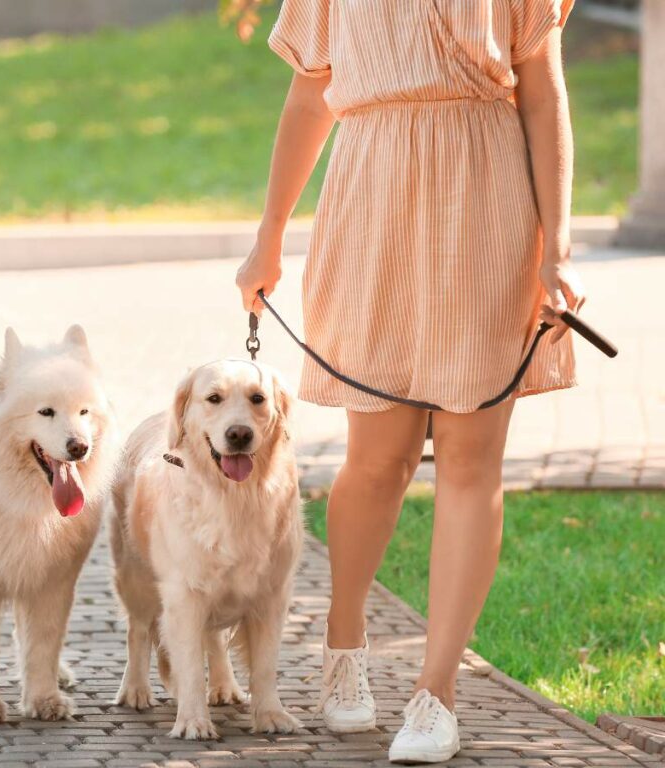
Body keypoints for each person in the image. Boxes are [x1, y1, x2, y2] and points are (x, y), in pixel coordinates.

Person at [236, 1, 583, 763]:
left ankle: (437, 694)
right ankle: (344, 640)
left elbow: (544, 90)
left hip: (489, 195)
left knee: (470, 458)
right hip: (372, 194)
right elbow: (308, 93)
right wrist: (269, 235)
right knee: (378, 459)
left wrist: (556, 251)